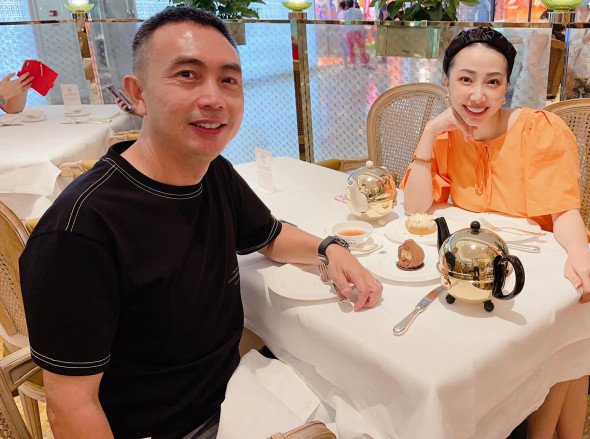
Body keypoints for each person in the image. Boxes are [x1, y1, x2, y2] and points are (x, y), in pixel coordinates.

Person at [19, 6, 382, 439]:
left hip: (238, 389)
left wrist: (330, 248)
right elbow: (71, 407)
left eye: (228, 79)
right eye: (187, 75)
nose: (214, 98)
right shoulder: (80, 232)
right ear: (138, 95)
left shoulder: (213, 173)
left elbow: (269, 235)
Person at [401, 27, 590, 439]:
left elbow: (563, 209)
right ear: (447, 82)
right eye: (465, 80)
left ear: (506, 86)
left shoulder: (537, 129)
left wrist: (580, 254)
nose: (478, 95)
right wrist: (428, 133)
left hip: (537, 267)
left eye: (492, 82)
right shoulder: (445, 135)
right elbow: (414, 206)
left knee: (564, 336)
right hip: (476, 265)